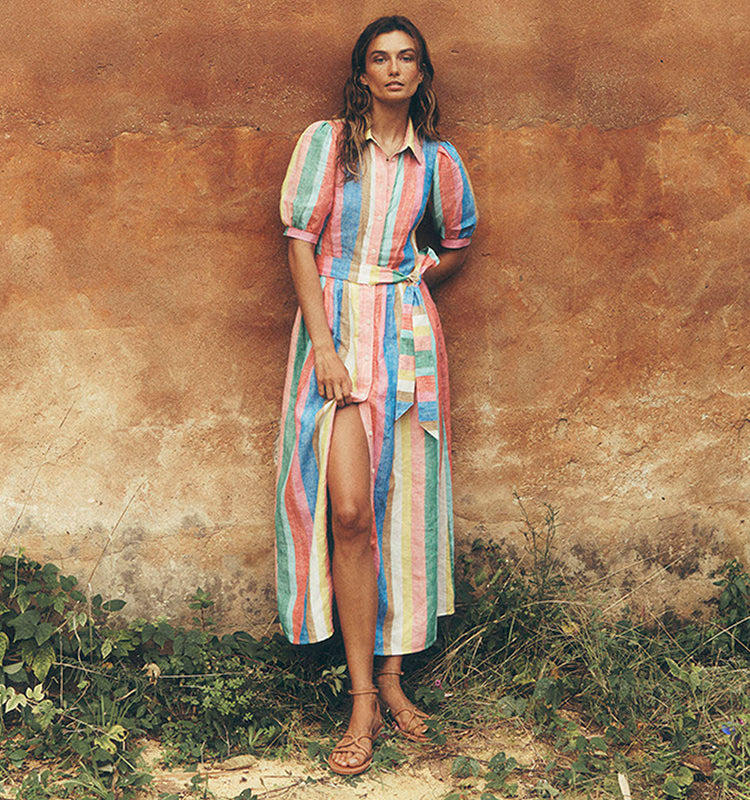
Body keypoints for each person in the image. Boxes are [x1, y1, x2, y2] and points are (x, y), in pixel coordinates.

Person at [275, 15, 477, 775]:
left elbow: (457, 241)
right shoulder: (328, 143)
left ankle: (393, 681)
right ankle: (361, 695)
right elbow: (300, 240)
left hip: (405, 337)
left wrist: (413, 287)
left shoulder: (439, 162)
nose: (394, 70)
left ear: (422, 74)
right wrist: (325, 344)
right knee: (351, 510)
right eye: (380, 59)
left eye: (407, 59)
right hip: (336, 332)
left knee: (403, 508)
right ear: (362, 73)